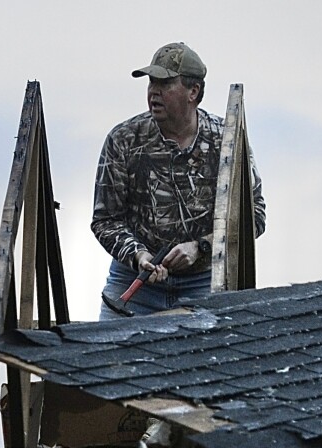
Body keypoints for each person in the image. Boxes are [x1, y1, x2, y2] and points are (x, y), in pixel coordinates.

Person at [92, 42, 266, 319]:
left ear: (193, 92)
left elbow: (253, 216)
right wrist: (139, 256)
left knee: (212, 360)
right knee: (105, 359)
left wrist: (200, 247)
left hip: (204, 286)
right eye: (151, 83)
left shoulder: (226, 140)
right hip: (134, 285)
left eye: (165, 83)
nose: (154, 92)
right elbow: (105, 220)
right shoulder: (123, 139)